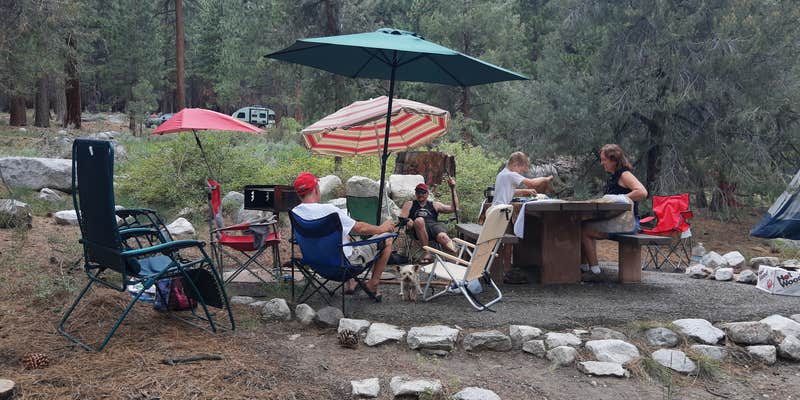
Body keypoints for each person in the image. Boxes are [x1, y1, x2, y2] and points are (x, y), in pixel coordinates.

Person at [291, 172, 395, 299]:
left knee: (344, 236)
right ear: (316, 190)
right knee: (387, 238)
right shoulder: (329, 210)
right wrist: (381, 228)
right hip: (344, 266)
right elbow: (360, 228)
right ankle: (372, 284)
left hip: (316, 265)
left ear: (298, 194)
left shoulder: (295, 213)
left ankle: (351, 283)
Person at [580, 144, 648, 275]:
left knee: (584, 230)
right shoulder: (614, 176)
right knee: (581, 225)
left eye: (604, 160)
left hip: (628, 223)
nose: (602, 163)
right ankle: (584, 267)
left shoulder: (625, 174)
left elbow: (642, 192)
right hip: (616, 221)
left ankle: (595, 272)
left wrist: (621, 197)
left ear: (614, 160)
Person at [492, 151, 553, 284]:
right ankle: (505, 270)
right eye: (521, 170)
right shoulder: (510, 174)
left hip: (496, 211)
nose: (520, 173)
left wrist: (524, 191)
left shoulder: (502, 174)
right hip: (501, 212)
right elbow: (531, 183)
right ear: (515, 164)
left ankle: (507, 269)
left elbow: (509, 190)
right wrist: (545, 179)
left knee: (507, 241)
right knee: (507, 240)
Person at [399, 178, 459, 263]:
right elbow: (402, 218)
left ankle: (457, 258)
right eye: (418, 192)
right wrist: (408, 220)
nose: (420, 194)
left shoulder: (435, 205)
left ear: (427, 194)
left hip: (433, 227)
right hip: (417, 229)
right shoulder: (409, 204)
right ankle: (427, 252)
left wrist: (453, 188)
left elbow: (454, 208)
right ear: (415, 193)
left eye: (423, 192)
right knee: (419, 220)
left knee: (443, 237)